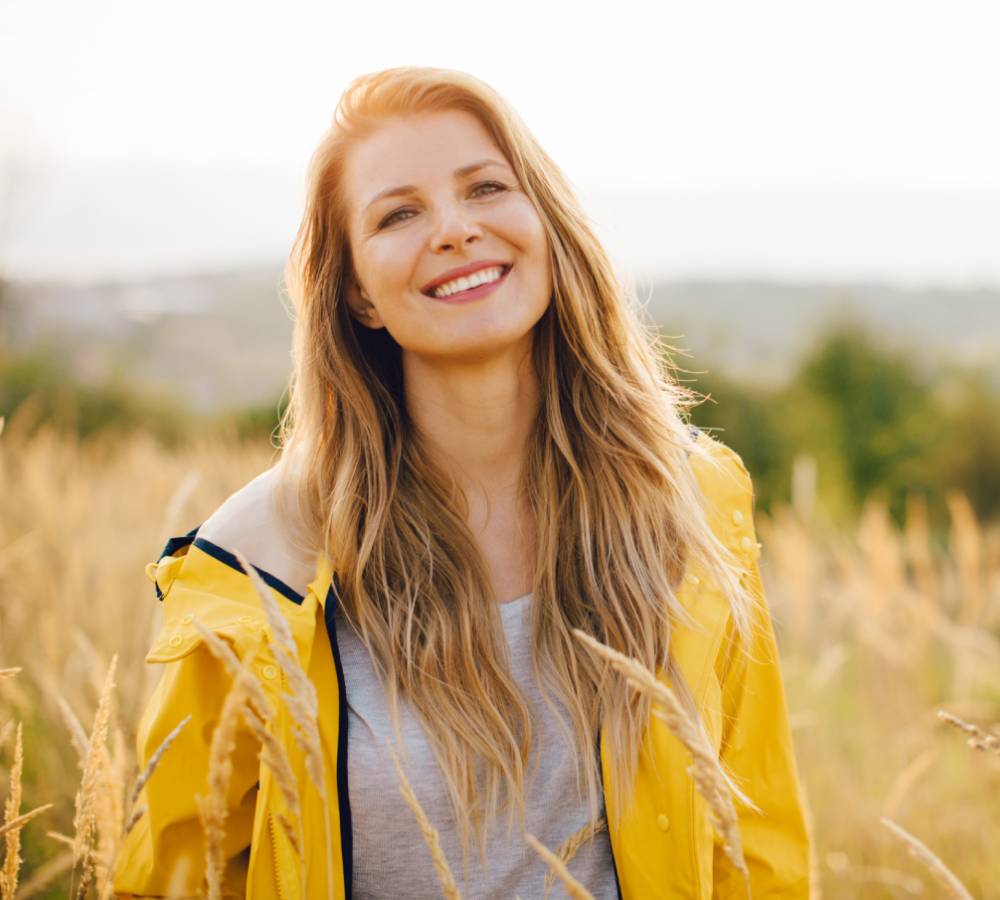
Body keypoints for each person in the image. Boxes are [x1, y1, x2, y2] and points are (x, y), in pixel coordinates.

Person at [113, 66, 811, 899]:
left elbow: (756, 838)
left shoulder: (692, 500)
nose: (454, 230)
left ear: (543, 224)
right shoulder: (257, 563)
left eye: (485, 188)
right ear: (359, 296)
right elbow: (170, 877)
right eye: (399, 214)